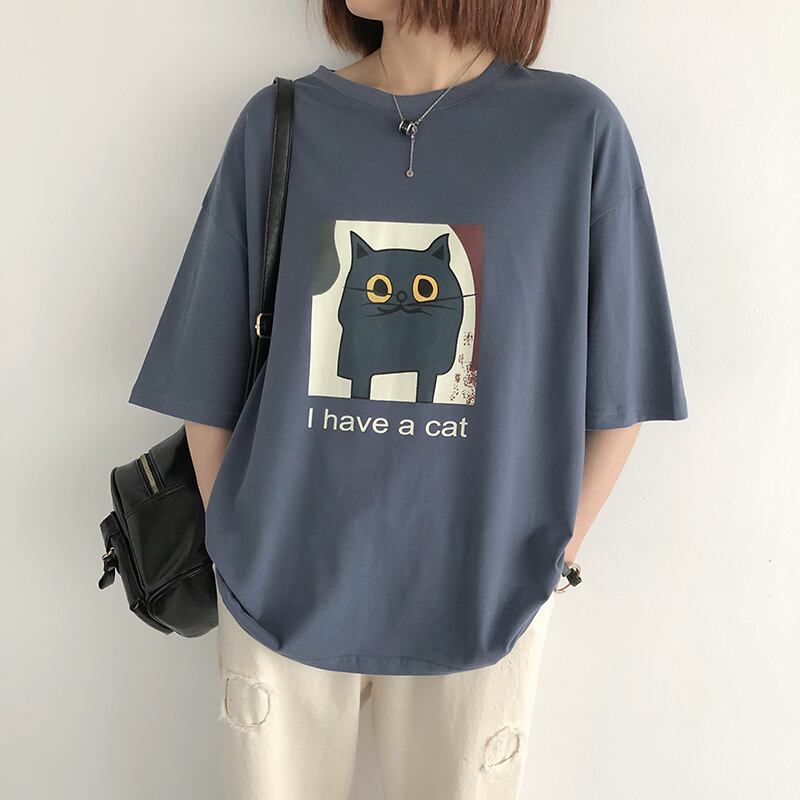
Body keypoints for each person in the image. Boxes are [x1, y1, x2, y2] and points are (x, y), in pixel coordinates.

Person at [128, 1, 688, 797]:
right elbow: (205, 369)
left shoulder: (574, 130)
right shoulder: (281, 123)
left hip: (485, 589)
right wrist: (238, 541)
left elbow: (622, 386)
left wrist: (553, 558)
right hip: (280, 578)